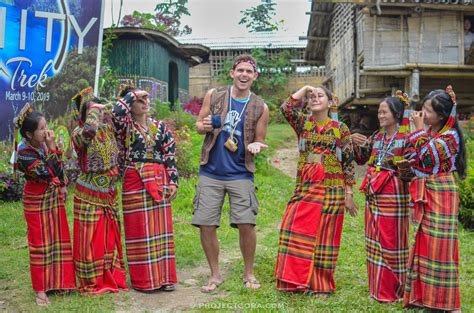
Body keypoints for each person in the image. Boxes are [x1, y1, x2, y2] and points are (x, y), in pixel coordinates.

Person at [193, 54, 269, 293]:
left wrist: (257, 146)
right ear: (232, 73)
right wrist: (202, 126)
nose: (244, 75)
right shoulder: (214, 96)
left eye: (249, 71)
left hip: (240, 173)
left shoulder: (260, 106)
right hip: (211, 171)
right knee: (206, 224)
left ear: (254, 76)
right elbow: (198, 124)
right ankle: (215, 275)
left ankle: (249, 273)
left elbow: (260, 139)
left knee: (247, 223)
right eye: (240, 71)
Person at [275, 85, 357, 296]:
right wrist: (305, 89)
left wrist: (349, 194)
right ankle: (293, 279)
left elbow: (348, 163)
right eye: (312, 97)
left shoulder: (340, 129)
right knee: (292, 228)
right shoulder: (304, 123)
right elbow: (286, 108)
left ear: (330, 102)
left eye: (320, 96)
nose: (315, 98)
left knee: (325, 237)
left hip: (333, 187)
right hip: (307, 185)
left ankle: (321, 285)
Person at [398, 85, 466, 312]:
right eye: (423, 108)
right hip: (424, 190)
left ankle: (444, 302)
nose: (423, 114)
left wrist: (417, 129)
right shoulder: (430, 133)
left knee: (439, 246)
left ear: (442, 115)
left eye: (428, 110)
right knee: (423, 242)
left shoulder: (450, 136)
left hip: (441, 193)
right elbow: (414, 153)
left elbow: (427, 156)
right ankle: (422, 297)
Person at [111, 85, 178, 292]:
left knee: (161, 229)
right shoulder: (125, 127)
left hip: (159, 179)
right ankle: (145, 281)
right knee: (140, 229)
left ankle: (165, 278)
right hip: (135, 178)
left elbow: (169, 154)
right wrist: (132, 95)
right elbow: (115, 113)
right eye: (140, 100)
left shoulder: (160, 126)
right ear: (130, 104)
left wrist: (173, 181)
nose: (145, 103)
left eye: (146, 99)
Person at [351, 92, 411, 302]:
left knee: (391, 241)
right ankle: (377, 289)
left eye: (384, 112)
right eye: (379, 112)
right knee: (374, 241)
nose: (380, 115)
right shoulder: (377, 137)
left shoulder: (407, 139)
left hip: (394, 197)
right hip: (374, 196)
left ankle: (395, 289)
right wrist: (355, 143)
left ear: (396, 114)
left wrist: (402, 169)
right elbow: (360, 160)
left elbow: (412, 172)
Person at [13, 104, 75, 306]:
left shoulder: (42, 146)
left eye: (46, 126)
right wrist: (53, 149)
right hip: (36, 202)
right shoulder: (23, 153)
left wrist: (63, 185)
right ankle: (40, 290)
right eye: (41, 128)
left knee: (57, 239)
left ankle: (58, 282)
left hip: (52, 197)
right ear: (29, 134)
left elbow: (59, 172)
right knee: (40, 243)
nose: (46, 131)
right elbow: (47, 172)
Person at [71, 87, 128, 294]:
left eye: (99, 110)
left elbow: (122, 118)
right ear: (85, 115)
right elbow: (89, 132)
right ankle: (92, 280)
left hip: (110, 193)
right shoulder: (79, 134)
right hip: (89, 194)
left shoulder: (107, 128)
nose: (99, 114)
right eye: (93, 112)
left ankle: (111, 275)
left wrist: (109, 108)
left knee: (109, 236)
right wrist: (94, 110)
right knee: (90, 239)